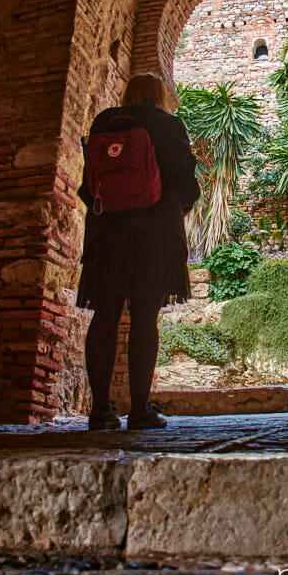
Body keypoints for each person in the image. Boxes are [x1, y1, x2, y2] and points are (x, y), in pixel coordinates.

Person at [77, 72, 200, 431]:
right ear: (160, 95)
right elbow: (185, 180)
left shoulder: (106, 121)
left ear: (128, 94)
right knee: (145, 317)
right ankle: (139, 410)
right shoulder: (168, 124)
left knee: (105, 316)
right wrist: (173, 211)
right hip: (154, 234)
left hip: (106, 233)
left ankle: (100, 411)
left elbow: (89, 183)